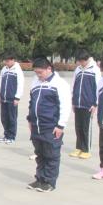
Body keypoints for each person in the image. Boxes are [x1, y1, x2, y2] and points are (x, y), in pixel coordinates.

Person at [26, 57, 71, 193]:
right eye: (36, 73)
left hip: (51, 126)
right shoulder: (35, 82)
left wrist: (61, 125)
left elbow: (65, 106)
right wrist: (30, 119)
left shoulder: (59, 84)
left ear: (49, 69)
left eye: (40, 72)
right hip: (36, 125)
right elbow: (31, 102)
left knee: (51, 155)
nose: (38, 75)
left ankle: (49, 181)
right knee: (40, 154)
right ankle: (40, 179)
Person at [70, 49, 101, 159]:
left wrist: (95, 103)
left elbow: (98, 87)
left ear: (87, 59)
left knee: (85, 127)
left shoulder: (95, 69)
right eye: (79, 61)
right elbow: (73, 85)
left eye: (81, 61)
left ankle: (86, 149)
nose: (80, 63)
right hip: (78, 103)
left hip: (88, 104)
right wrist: (73, 101)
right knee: (78, 126)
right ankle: (79, 147)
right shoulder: (78, 69)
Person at [0, 53, 24, 144]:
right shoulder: (4, 69)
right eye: (5, 61)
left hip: (12, 99)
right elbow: (1, 82)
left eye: (8, 61)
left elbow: (20, 84)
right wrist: (0, 95)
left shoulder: (17, 70)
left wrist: (17, 97)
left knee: (12, 118)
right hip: (3, 98)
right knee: (4, 118)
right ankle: (6, 135)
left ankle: (11, 136)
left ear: (13, 60)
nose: (6, 62)